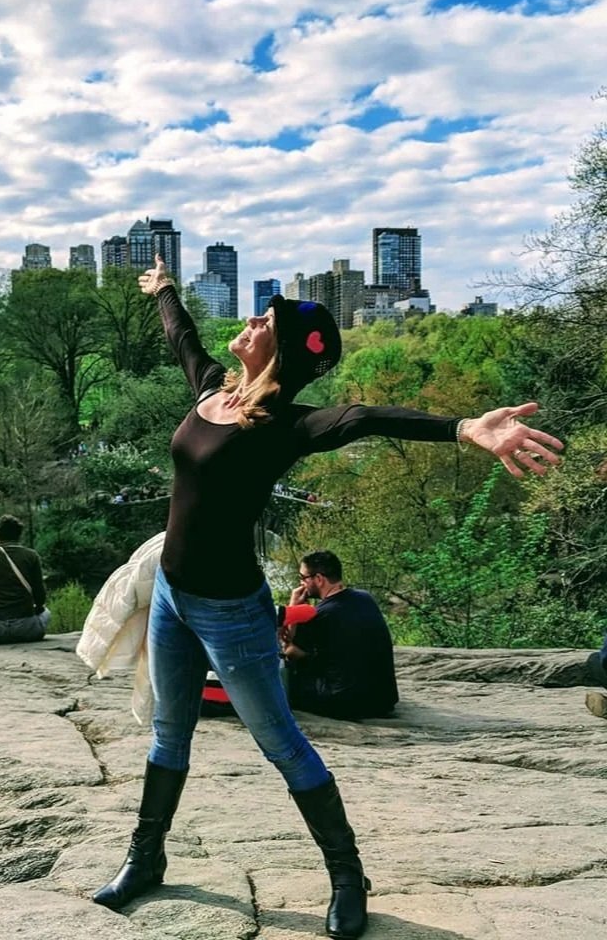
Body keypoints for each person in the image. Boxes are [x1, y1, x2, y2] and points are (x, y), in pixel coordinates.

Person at [91, 255, 563, 940]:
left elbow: (366, 417)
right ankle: (146, 856)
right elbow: (182, 341)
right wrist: (164, 289)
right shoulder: (211, 392)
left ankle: (347, 876)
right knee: (171, 732)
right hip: (172, 598)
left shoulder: (285, 424)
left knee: (281, 741)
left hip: (231, 614)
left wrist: (465, 427)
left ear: (279, 353)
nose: (252, 321)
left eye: (266, 322)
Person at [281, 551, 398, 721]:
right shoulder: (366, 598)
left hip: (343, 704)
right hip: (383, 700)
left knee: (285, 676)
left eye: (303, 577)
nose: (301, 583)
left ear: (319, 579)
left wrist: (293, 608)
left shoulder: (320, 614)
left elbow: (289, 651)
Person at [0, 514, 50, 646]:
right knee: (47, 613)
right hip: (27, 629)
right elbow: (40, 599)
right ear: (19, 535)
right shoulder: (32, 556)